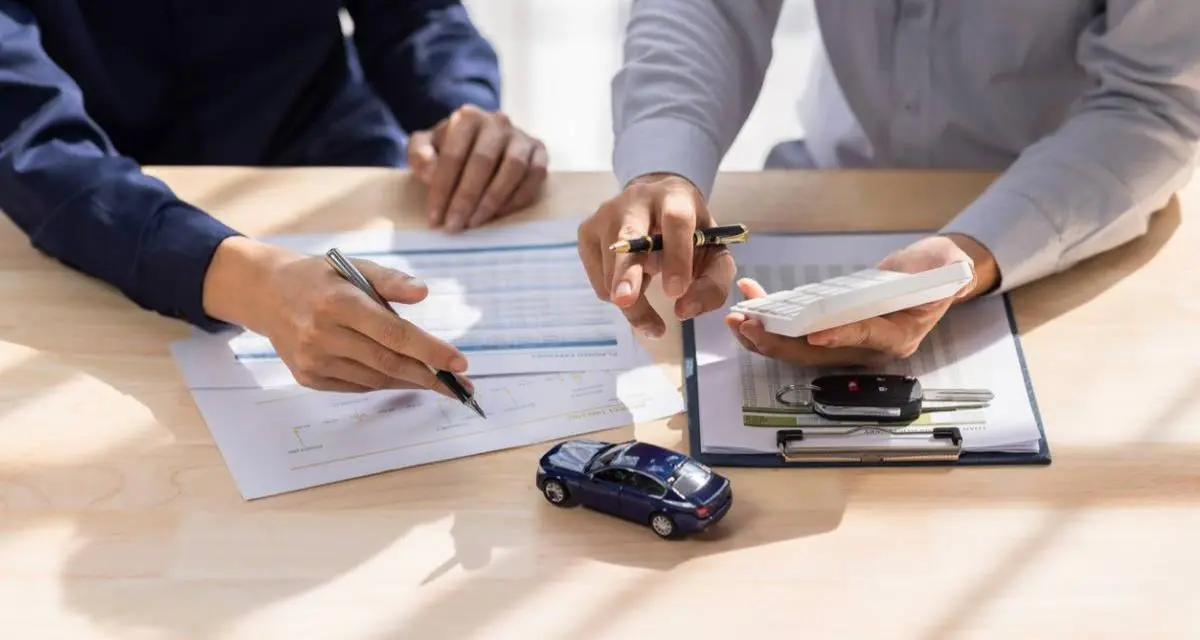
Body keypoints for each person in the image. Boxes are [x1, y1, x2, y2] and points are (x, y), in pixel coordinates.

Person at [578, 0, 1200, 366]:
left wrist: (972, 255)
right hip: (831, 184)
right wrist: (665, 161)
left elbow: (1156, 99)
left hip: (1070, 228)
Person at [0, 1, 548, 395]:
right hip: (105, 218)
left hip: (333, 160)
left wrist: (458, 111)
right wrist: (250, 283)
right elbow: (32, 141)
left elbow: (416, 15)